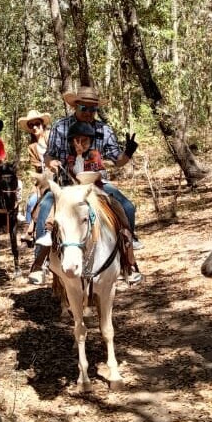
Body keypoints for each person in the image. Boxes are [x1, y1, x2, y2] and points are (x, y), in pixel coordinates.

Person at [28, 85, 143, 285]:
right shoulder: (60, 127)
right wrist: (50, 162)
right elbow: (49, 155)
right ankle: (40, 263)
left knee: (128, 207)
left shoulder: (104, 129)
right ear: (76, 107)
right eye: (85, 109)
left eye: (93, 109)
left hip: (96, 184)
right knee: (45, 208)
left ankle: (127, 258)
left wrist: (129, 152)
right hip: (66, 184)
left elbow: (118, 160)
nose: (89, 113)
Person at [16, 109, 51, 235]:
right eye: (31, 125)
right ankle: (28, 232)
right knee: (31, 202)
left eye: (37, 124)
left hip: (58, 175)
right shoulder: (32, 147)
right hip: (42, 179)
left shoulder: (51, 137)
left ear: (43, 125)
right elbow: (36, 168)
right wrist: (37, 183)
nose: (35, 127)